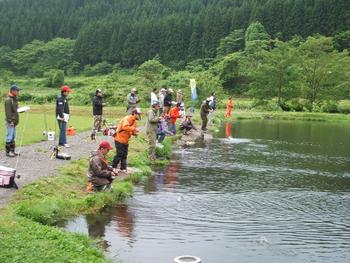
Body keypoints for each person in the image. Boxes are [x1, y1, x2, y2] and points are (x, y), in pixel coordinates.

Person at [4, 85, 20, 157]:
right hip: (11, 122)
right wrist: (10, 121)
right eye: (17, 90)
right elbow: (8, 112)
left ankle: (12, 151)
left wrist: (21, 110)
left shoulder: (14, 99)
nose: (18, 92)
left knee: (13, 136)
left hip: (14, 121)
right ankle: (8, 152)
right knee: (9, 136)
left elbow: (15, 110)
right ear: (13, 91)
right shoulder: (8, 100)